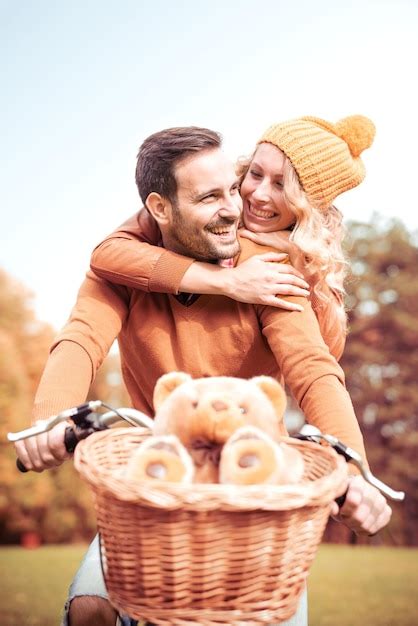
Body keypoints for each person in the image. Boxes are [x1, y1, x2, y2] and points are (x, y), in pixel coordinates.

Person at [14, 123, 391, 626]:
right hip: (158, 473)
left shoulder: (267, 268)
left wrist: (354, 471)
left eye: (231, 190)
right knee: (91, 610)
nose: (239, 205)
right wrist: (50, 420)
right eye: (216, 194)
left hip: (256, 485)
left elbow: (313, 369)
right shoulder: (125, 264)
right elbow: (81, 337)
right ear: (160, 208)